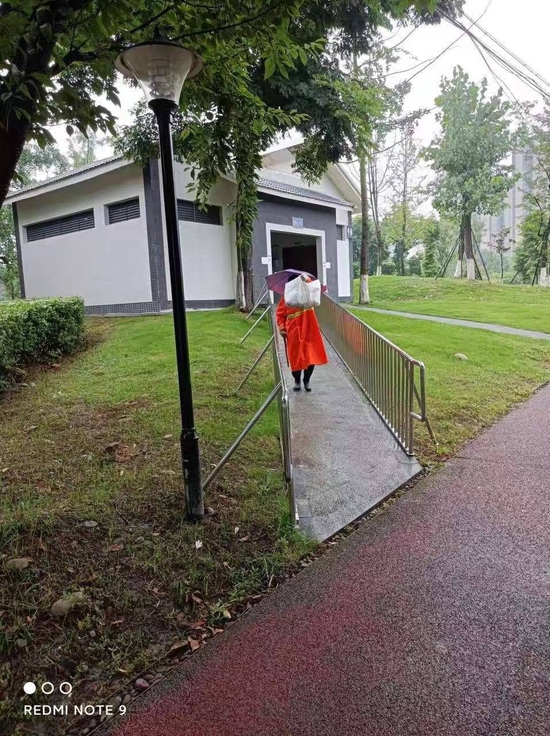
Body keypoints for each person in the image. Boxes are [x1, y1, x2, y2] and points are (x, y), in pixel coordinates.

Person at [276, 275, 328, 392]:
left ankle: (307, 380)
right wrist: (282, 328)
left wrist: (305, 278)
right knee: (295, 356)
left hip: (310, 328)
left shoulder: (308, 293)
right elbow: (280, 315)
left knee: (310, 355)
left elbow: (310, 284)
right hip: (293, 330)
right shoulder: (286, 298)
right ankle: (297, 380)